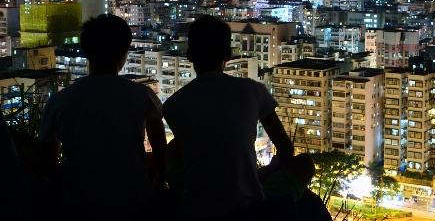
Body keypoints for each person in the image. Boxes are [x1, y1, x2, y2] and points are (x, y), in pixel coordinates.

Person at [163, 15, 314, 219]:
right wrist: (263, 174)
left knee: (172, 148)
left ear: (189, 55)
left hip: (195, 209)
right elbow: (286, 149)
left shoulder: (173, 105)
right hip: (249, 209)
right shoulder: (253, 90)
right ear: (228, 54)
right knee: (304, 163)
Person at [39, 14, 167, 220]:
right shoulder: (143, 95)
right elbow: (161, 154)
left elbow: (47, 164)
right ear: (124, 54)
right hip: (134, 202)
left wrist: (77, 182)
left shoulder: (59, 101)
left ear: (87, 52)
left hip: (79, 205)